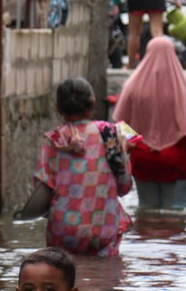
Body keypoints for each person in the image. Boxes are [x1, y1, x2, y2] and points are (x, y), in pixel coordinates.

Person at [30, 77, 133, 257]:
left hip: (63, 230)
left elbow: (42, 190)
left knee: (65, 278)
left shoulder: (52, 139)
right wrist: (126, 153)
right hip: (104, 227)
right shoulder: (111, 134)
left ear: (58, 108)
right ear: (92, 104)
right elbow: (124, 186)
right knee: (105, 279)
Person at [112, 37, 186, 210]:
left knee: (146, 209)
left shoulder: (132, 86)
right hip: (175, 156)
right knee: (176, 210)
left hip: (143, 155)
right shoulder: (181, 87)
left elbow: (119, 124)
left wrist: (136, 142)